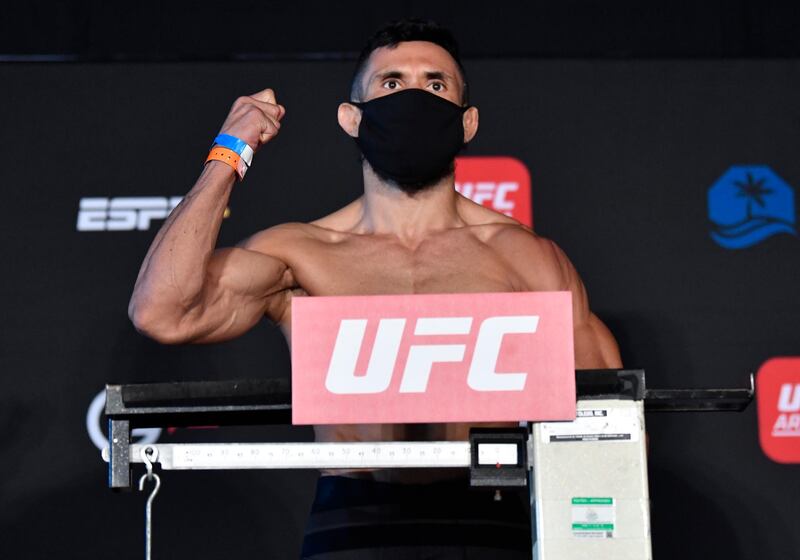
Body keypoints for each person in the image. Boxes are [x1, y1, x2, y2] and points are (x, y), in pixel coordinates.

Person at [129, 18, 622, 560]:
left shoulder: (523, 258)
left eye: (436, 85)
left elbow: (614, 428)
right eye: (391, 83)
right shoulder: (301, 256)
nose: (414, 96)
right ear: (351, 117)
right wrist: (230, 151)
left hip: (492, 519)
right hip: (351, 524)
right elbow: (163, 312)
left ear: (468, 122)